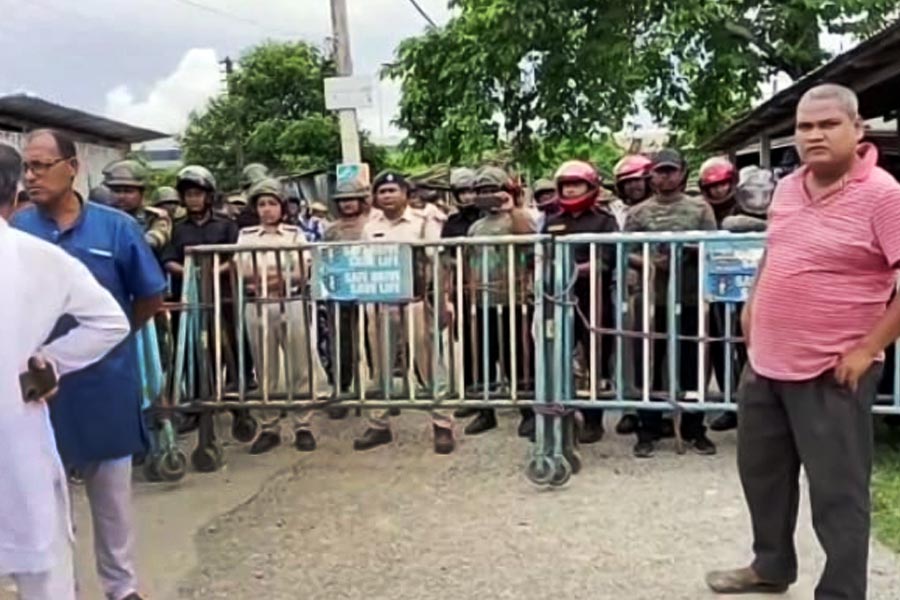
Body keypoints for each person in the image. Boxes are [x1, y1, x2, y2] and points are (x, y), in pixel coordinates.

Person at [706, 84, 900, 599]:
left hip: (832, 369)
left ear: (858, 130)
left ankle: (841, 592)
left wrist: (865, 350)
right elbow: (777, 252)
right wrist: (752, 303)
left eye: (828, 125)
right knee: (763, 478)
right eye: (805, 126)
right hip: (767, 363)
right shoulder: (789, 187)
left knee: (839, 494)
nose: (814, 135)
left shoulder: (884, 195)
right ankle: (770, 566)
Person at [13, 129, 167, 600]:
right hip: (37, 390)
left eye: (41, 165)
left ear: (72, 167)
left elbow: (148, 296)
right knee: (48, 505)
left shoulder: (116, 229)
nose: (32, 176)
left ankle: (121, 588)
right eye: (27, 167)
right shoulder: (18, 232)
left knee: (112, 499)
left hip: (105, 382)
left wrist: (107, 343)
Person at [0, 142, 132, 600]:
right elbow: (110, 321)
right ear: (13, 194)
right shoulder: (41, 258)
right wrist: (48, 361)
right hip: (16, 433)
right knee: (43, 570)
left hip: (23, 430)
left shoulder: (109, 229)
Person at [623, 147, 718, 458]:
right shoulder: (638, 213)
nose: (665, 176)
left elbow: (713, 247)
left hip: (690, 298)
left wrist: (688, 252)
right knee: (648, 363)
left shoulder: (700, 209)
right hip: (651, 300)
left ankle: (694, 428)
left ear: (682, 173)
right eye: (660, 171)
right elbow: (626, 252)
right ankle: (647, 429)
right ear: (651, 174)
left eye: (671, 170)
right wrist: (650, 260)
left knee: (692, 363)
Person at [353, 170, 455, 454]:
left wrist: (444, 299)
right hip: (381, 302)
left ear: (406, 195)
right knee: (380, 364)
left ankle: (442, 424)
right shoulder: (370, 226)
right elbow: (360, 260)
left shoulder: (424, 222)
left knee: (429, 362)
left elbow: (438, 261)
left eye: (392, 191)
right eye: (382, 192)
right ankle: (378, 424)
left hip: (415, 301)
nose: (387, 196)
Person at [236, 178, 330, 454]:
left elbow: (301, 273)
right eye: (262, 204)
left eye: (272, 203)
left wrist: (270, 278)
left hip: (291, 302)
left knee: (300, 363)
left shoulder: (294, 235)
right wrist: (276, 276)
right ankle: (269, 426)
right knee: (266, 368)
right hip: (258, 305)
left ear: (282, 207)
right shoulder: (246, 236)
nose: (267, 210)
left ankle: (303, 425)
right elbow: (244, 274)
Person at [543, 160, 618, 443]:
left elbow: (607, 261)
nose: (571, 190)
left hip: (594, 300)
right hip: (559, 300)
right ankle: (562, 415)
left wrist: (573, 269)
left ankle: (593, 420)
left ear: (591, 187)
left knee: (595, 360)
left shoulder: (604, 220)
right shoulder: (552, 221)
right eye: (566, 185)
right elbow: (542, 256)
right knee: (558, 357)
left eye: (577, 184)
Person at [461, 165, 537, 435]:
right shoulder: (475, 227)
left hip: (515, 301)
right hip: (483, 301)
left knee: (519, 356)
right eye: (482, 191)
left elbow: (532, 251)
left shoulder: (520, 219)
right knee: (483, 356)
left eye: (493, 189)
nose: (488, 195)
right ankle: (486, 411)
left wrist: (512, 207)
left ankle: (528, 411)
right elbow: (468, 261)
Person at [707, 166, 773, 434]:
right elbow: (729, 227)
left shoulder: (781, 213)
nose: (758, 195)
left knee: (760, 350)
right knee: (725, 347)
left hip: (769, 294)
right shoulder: (731, 215)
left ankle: (764, 408)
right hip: (730, 292)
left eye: (764, 190)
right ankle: (730, 404)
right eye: (751, 190)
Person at [323, 180, 372, 404]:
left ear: (362, 200)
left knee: (375, 339)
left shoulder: (373, 225)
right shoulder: (331, 230)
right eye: (342, 200)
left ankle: (382, 387)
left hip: (371, 289)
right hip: (341, 293)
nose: (347, 204)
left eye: (351, 199)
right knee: (341, 341)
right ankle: (342, 388)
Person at [103, 159, 172, 253]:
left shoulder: (154, 217)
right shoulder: (102, 215)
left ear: (142, 193)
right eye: (117, 191)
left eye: (128, 191)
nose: (121, 196)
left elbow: (155, 239)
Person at [612, 154, 653, 228]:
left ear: (648, 182)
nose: (633, 186)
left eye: (637, 180)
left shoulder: (661, 208)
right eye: (628, 182)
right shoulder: (616, 211)